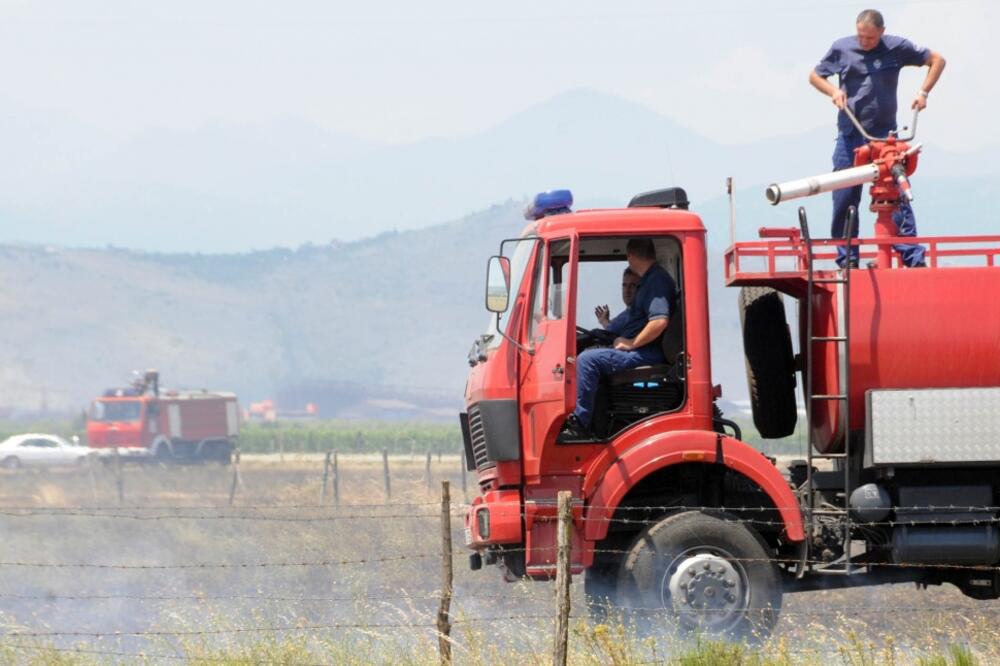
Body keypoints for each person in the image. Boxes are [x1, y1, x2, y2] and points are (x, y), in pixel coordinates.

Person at [809, 9, 945, 268]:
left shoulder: (897, 47)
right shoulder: (842, 48)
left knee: (896, 195)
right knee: (844, 198)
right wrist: (834, 91)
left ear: (881, 32)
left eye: (870, 38)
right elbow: (815, 76)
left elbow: (937, 60)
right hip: (851, 135)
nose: (864, 42)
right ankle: (847, 260)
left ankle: (912, 258)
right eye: (861, 36)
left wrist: (923, 93)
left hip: (885, 141)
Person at [559, 239, 676, 442]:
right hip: (642, 348)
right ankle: (593, 419)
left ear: (630, 256)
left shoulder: (656, 281)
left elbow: (659, 321)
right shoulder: (650, 280)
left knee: (588, 361)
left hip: (646, 352)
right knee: (589, 347)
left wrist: (631, 343)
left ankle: (580, 425)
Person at [594, 267, 640, 334]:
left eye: (632, 286)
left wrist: (604, 321)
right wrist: (605, 321)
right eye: (624, 285)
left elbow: (613, 330)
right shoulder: (625, 314)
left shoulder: (639, 313)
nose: (627, 290)